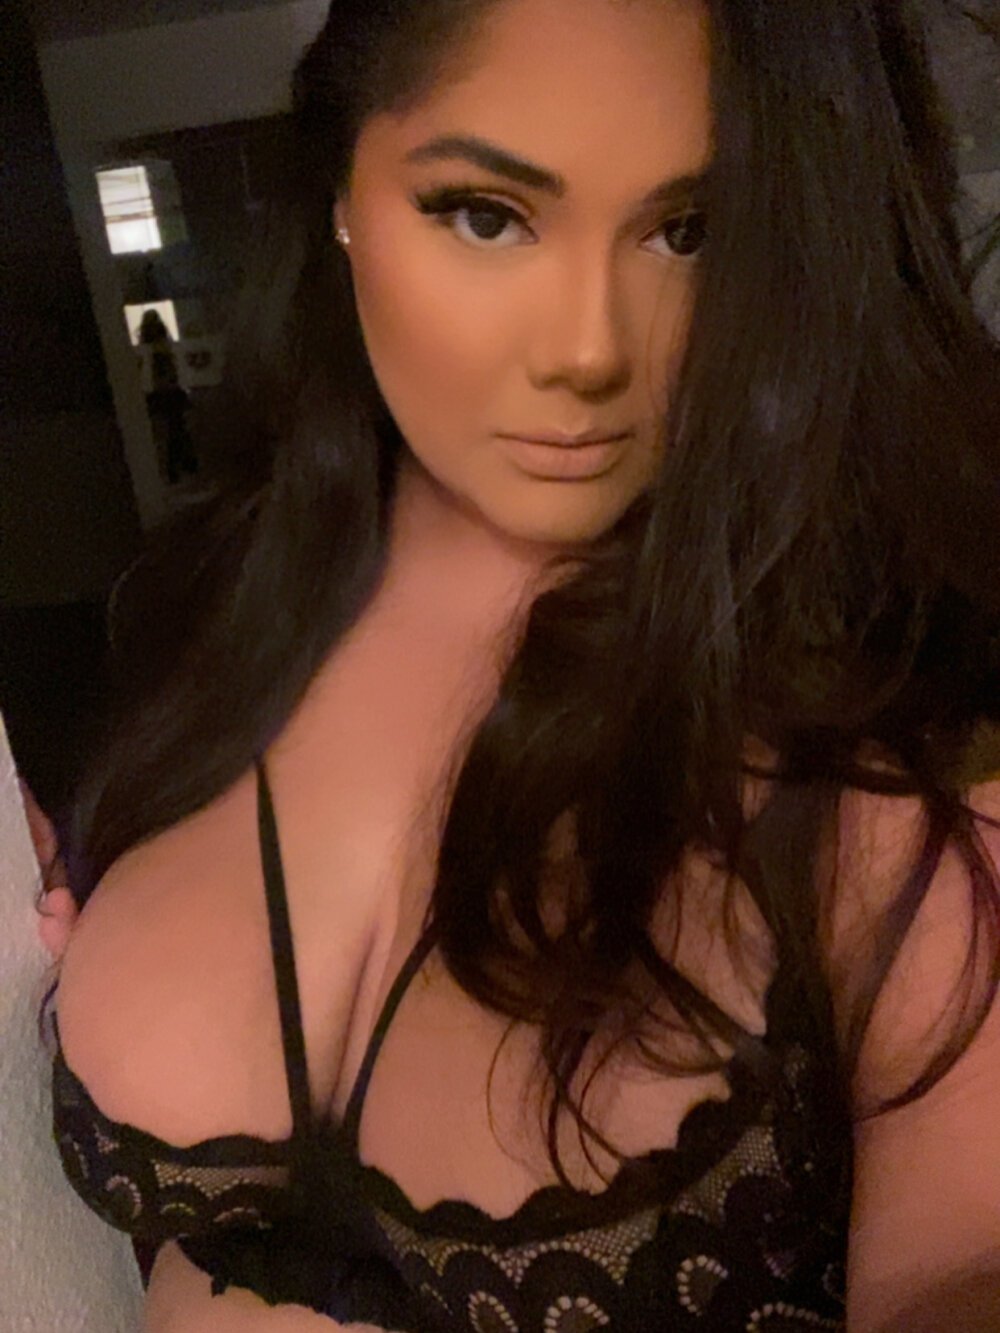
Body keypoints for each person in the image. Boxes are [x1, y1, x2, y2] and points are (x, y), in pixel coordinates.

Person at [34, 0, 1000, 1329]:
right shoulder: (216, 616)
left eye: (689, 232)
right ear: (341, 194)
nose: (587, 350)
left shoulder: (893, 758)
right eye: (486, 215)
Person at [138, 308, 199, 484]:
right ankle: (184, 465)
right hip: (170, 391)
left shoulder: (147, 348)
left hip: (160, 393)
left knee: (172, 430)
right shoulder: (163, 345)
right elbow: (174, 367)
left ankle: (179, 467)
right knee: (177, 428)